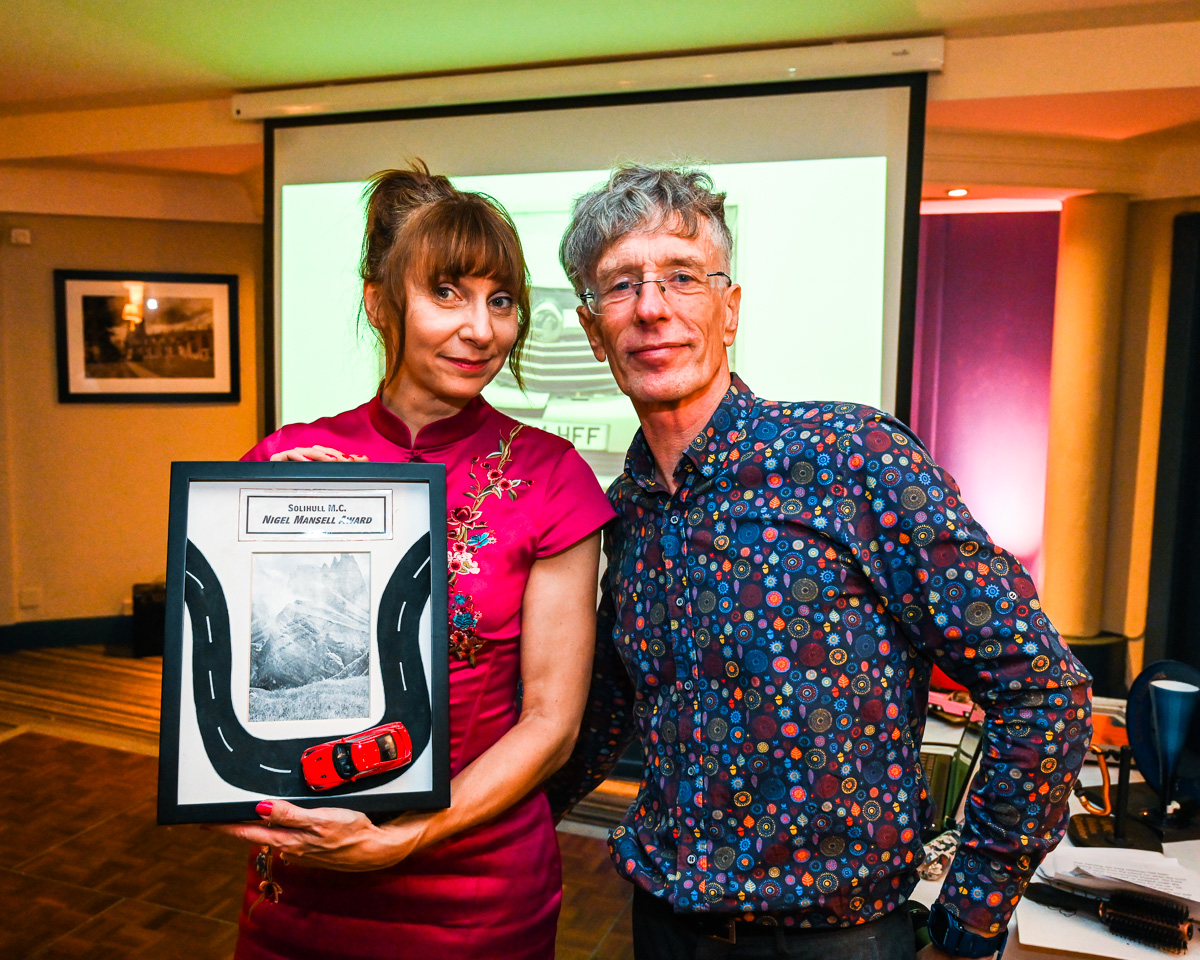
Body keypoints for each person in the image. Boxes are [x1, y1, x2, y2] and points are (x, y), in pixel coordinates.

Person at [545, 164, 1093, 960]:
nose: (653, 306)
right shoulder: (627, 510)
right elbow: (601, 715)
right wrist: (464, 833)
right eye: (622, 285)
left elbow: (1042, 688)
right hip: (664, 930)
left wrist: (971, 921)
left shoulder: (852, 457)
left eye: (683, 276)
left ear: (730, 310)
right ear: (595, 332)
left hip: (838, 942)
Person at [216, 163, 616, 960]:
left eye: (500, 300)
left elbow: (552, 723)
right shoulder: (289, 460)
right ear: (380, 303)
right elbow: (233, 683)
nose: (481, 329)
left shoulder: (549, 474)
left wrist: (406, 838)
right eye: (447, 293)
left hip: (474, 894)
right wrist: (269, 536)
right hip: (305, 879)